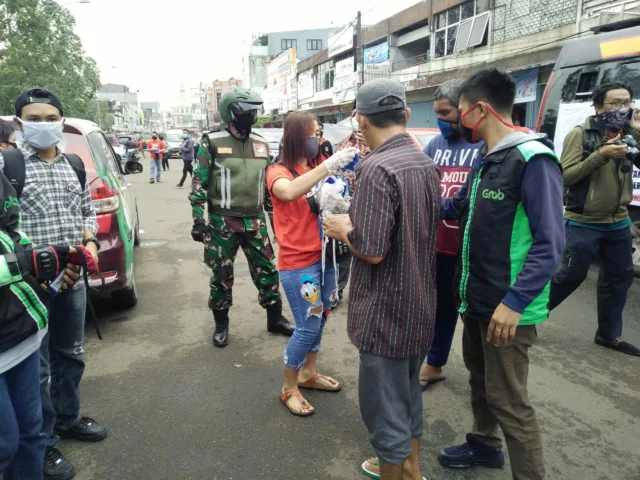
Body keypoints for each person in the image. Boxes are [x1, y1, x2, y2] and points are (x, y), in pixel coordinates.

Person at [437, 69, 564, 479]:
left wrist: (514, 303)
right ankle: (485, 444)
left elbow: (551, 245)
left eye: (459, 112)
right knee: (480, 380)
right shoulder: (485, 158)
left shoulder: (533, 160)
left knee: (510, 401)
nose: (456, 120)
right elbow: (453, 207)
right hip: (475, 298)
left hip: (507, 308)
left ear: (479, 109)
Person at [324, 78, 440, 480]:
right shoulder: (423, 161)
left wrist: (342, 229)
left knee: (384, 408)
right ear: (405, 115)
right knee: (407, 395)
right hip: (420, 304)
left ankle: (395, 467)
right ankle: (412, 470)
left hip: (386, 312)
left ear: (361, 120)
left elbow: (371, 249)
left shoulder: (377, 167)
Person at [0, 88, 106, 480]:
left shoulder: (74, 164)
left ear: (61, 121)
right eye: (34, 118)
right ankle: (43, 445)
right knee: (37, 369)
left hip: (73, 277)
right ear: (18, 122)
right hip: (29, 288)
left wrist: (89, 244)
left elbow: (86, 213)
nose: (43, 125)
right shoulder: (8, 167)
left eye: (50, 118)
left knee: (71, 354)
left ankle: (68, 417)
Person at [267, 112, 357, 416]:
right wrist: (329, 167)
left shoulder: (317, 166)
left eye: (319, 133)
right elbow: (288, 192)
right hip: (299, 264)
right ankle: (288, 388)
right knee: (307, 325)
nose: (317, 140)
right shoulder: (278, 171)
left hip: (327, 260)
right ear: (295, 138)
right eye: (312, 134)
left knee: (322, 315)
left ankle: (309, 373)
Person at [189, 88, 294, 348]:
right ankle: (221, 325)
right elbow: (199, 184)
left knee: (268, 271)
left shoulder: (261, 143)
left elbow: (268, 187)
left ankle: (275, 318)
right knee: (221, 275)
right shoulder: (211, 142)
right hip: (222, 224)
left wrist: (275, 222)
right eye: (245, 112)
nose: (250, 116)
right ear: (230, 113)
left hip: (255, 222)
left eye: (253, 112)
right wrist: (198, 220)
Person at [0, 168, 83, 480]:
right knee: (5, 444)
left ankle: (64, 423)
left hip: (22, 338)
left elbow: (12, 235)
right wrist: (27, 262)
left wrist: (47, 267)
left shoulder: (5, 172)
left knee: (31, 435)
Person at [549, 81, 640, 356]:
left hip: (619, 222)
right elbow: (564, 176)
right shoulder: (581, 135)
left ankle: (608, 335)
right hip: (582, 220)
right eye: (616, 103)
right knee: (568, 276)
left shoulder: (629, 135)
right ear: (599, 107)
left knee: (618, 278)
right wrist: (600, 156)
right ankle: (525, 318)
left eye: (627, 102)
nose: (623, 108)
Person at [419, 79, 483, 391]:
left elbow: (466, 202)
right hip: (436, 245)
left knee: (466, 312)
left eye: (446, 114)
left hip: (467, 249)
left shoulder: (482, 146)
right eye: (437, 115)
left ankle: (482, 383)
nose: (441, 122)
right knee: (438, 307)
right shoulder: (435, 146)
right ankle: (433, 364)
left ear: (466, 109)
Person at [331, 104, 371, 309]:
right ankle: (338, 290)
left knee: (367, 251)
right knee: (345, 251)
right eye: (355, 114)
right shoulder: (342, 144)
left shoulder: (378, 144)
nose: (358, 119)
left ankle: (364, 292)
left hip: (369, 205)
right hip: (345, 204)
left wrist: (371, 151)